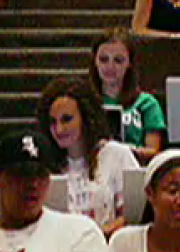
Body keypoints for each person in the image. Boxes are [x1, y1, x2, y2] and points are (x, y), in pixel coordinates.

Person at [37, 77, 142, 233]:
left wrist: (97, 238)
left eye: (67, 120)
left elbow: (134, 214)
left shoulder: (117, 154)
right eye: (53, 122)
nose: (58, 129)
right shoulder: (44, 163)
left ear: (86, 118)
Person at [88, 29, 166, 157]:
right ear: (94, 61)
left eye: (118, 60)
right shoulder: (84, 101)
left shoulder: (147, 103)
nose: (110, 66)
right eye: (103, 59)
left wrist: (122, 151)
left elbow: (153, 151)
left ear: (129, 63)